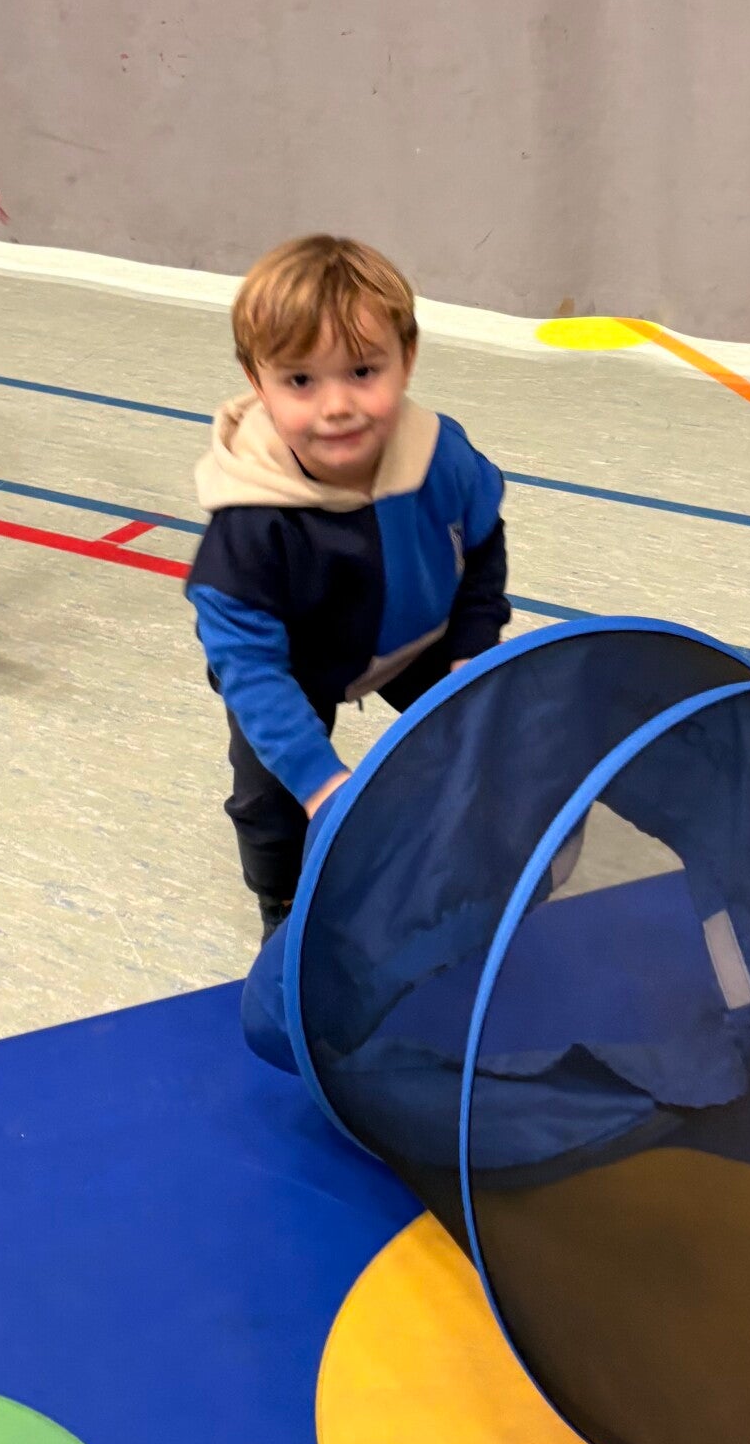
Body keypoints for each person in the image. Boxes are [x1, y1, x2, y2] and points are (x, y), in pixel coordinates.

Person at [187, 234, 509, 935]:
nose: (337, 406)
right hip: (293, 669)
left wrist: (471, 646)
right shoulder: (248, 527)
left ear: (407, 359)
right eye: (301, 381)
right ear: (257, 382)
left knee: (494, 739)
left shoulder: (442, 455)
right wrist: (320, 784)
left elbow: (483, 544)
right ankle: (283, 903)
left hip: (419, 639)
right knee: (270, 800)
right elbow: (252, 672)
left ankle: (473, 855)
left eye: (363, 371)